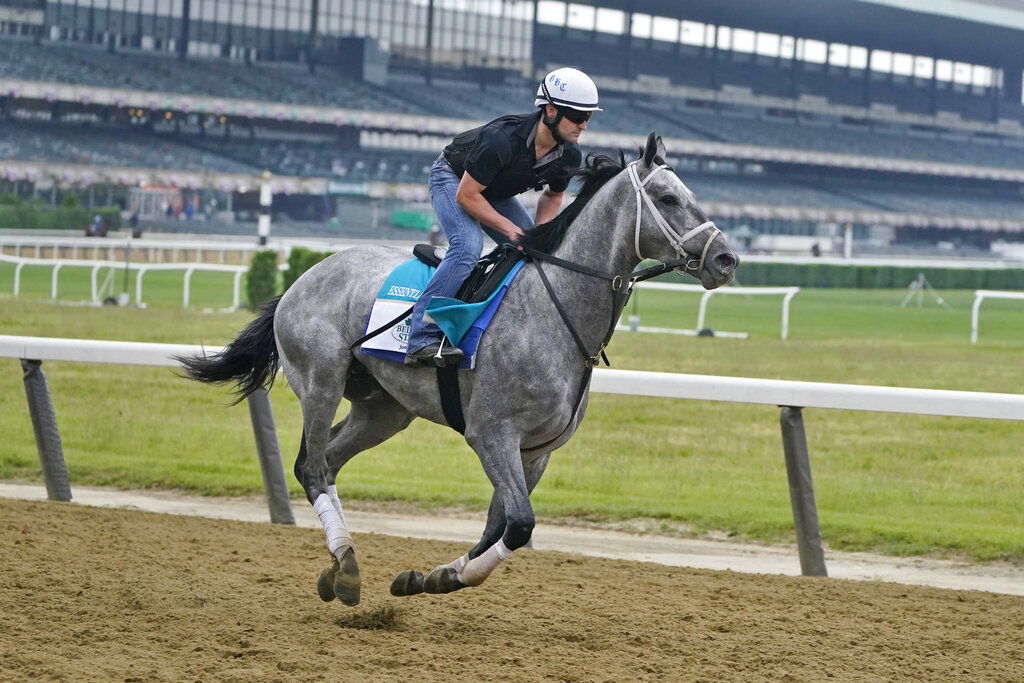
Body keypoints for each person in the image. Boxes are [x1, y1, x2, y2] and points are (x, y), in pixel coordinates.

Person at [404, 66, 601, 366]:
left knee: (534, 254)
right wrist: (511, 230)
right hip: (454, 180)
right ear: (550, 110)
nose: (583, 125)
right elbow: (467, 196)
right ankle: (421, 337)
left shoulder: (569, 155)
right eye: (577, 116)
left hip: (493, 191)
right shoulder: (501, 140)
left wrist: (539, 237)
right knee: (467, 247)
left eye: (588, 117)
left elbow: (553, 194)